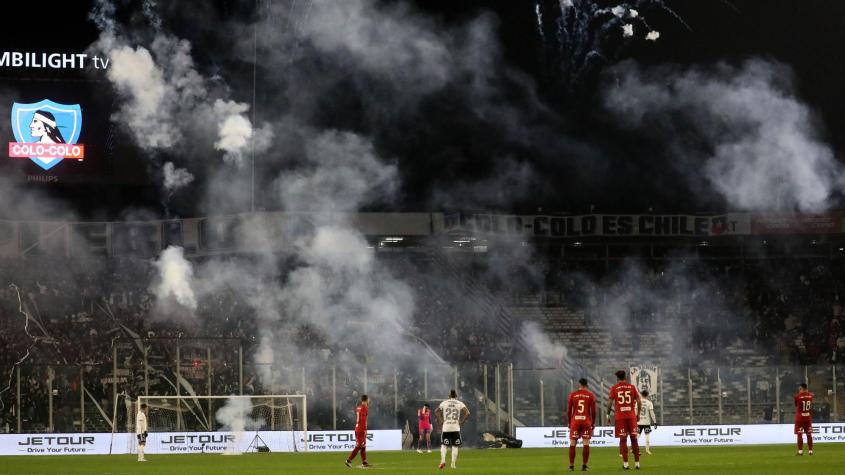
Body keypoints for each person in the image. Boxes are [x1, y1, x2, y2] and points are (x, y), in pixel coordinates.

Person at [607, 370, 642, 470]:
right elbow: (639, 402)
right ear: (625, 377)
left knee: (623, 440)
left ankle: (626, 464)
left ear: (617, 378)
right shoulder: (631, 387)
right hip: (631, 417)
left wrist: (608, 415)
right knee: (634, 439)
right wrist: (638, 414)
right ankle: (637, 464)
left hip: (620, 417)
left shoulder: (614, 388)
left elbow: (609, 403)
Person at [566, 378, 596, 472]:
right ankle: (584, 466)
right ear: (587, 385)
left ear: (579, 384)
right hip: (586, 421)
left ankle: (571, 466)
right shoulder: (590, 395)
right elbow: (594, 411)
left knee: (572, 443)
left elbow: (568, 411)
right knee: (586, 443)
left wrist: (569, 422)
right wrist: (593, 422)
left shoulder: (573, 395)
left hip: (575, 421)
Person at [435, 389, 470, 470]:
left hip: (446, 427)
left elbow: (436, 411)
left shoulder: (444, 402)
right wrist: (462, 421)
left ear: (449, 396)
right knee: (455, 446)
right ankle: (453, 464)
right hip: (455, 427)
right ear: (456, 396)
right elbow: (467, 413)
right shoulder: (459, 403)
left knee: (444, 445)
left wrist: (440, 420)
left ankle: (443, 461)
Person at [345, 395, 371, 468]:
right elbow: (363, 419)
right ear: (366, 400)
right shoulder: (364, 408)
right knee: (359, 445)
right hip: (361, 429)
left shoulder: (358, 408)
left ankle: (364, 462)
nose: (369, 401)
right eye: (368, 399)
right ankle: (348, 460)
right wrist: (365, 429)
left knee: (363, 445)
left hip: (357, 428)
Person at [794, 383, 814, 456]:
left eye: (800, 389)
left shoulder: (797, 396)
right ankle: (810, 451)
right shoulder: (810, 395)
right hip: (808, 417)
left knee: (799, 434)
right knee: (809, 434)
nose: (799, 390)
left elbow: (796, 405)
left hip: (800, 417)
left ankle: (800, 451)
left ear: (802, 388)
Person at [637, 390, 658, 455]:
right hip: (646, 423)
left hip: (639, 422)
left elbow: (635, 412)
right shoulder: (649, 403)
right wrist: (655, 422)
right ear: (647, 395)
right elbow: (652, 413)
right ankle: (647, 450)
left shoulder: (637, 402)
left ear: (641, 394)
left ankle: (634, 449)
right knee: (647, 437)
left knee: (636, 437)